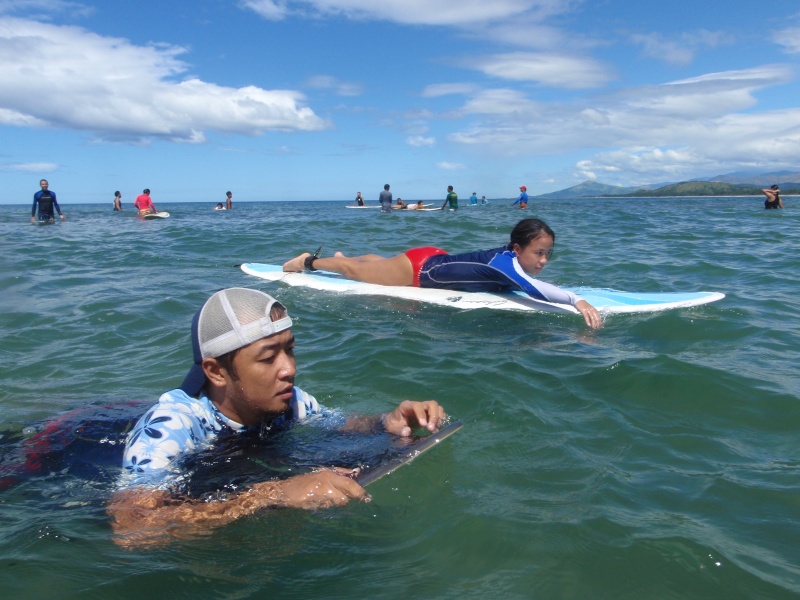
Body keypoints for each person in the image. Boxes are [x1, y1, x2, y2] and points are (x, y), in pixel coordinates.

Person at [107, 288, 446, 547]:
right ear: (216, 372)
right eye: (268, 358)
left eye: (290, 349)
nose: (290, 369)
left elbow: (337, 424)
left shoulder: (289, 401)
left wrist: (387, 422)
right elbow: (133, 528)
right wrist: (274, 494)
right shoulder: (171, 426)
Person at [284, 218, 602, 329]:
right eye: (539, 253)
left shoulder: (507, 261)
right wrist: (577, 301)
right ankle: (308, 262)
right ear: (517, 249)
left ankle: (343, 256)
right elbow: (533, 289)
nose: (544, 260)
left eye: (548, 253)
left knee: (375, 263)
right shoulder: (506, 263)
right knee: (353, 271)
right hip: (421, 270)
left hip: (433, 259)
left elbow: (527, 282)